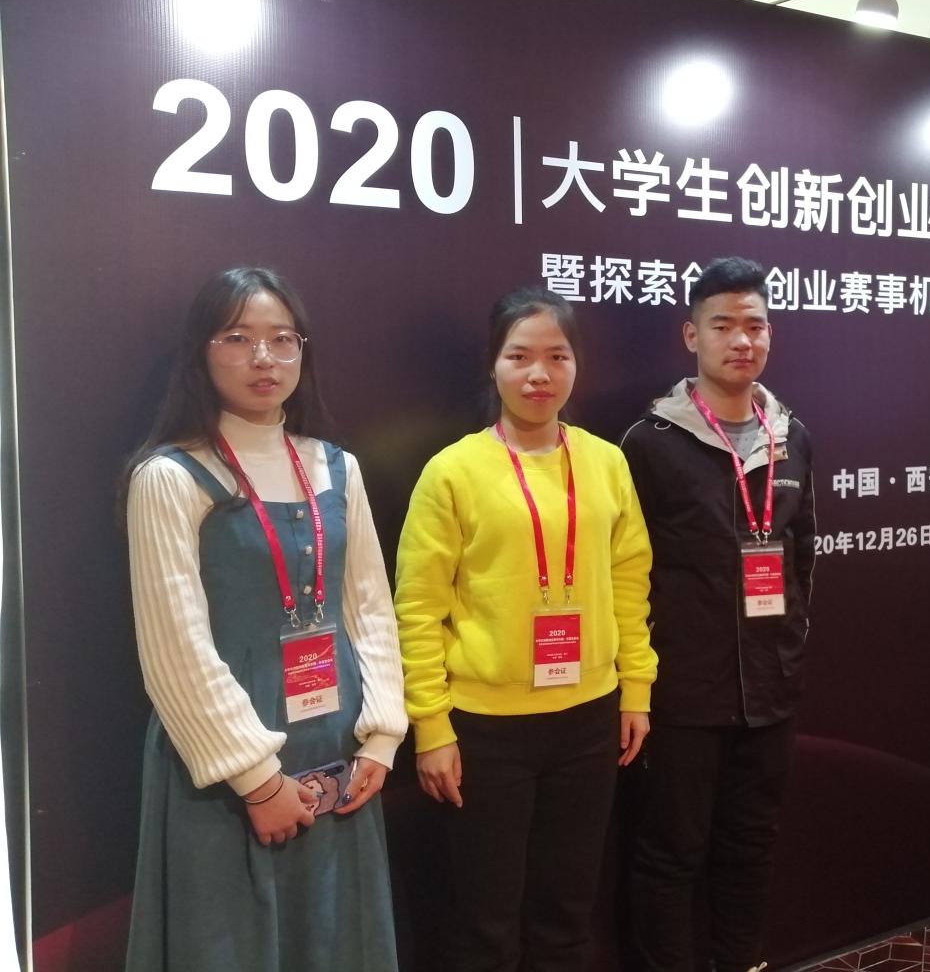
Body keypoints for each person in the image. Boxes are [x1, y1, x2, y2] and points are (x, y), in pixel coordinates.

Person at [123, 266, 406, 971]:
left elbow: (370, 607)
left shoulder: (337, 467)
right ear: (201, 351)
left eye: (283, 339)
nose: (263, 358)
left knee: (338, 938)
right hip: (226, 766)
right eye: (237, 338)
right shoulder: (169, 477)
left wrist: (381, 739)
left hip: (340, 748)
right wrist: (258, 780)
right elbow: (175, 650)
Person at [394, 286, 656, 971]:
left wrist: (635, 689)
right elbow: (417, 609)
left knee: (566, 914)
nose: (539, 374)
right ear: (493, 364)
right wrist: (432, 726)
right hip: (486, 730)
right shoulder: (452, 471)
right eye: (520, 356)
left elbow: (629, 581)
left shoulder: (606, 462)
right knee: (484, 921)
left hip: (589, 720)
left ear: (576, 365)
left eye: (557, 356)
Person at [622, 257, 816, 972]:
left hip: (770, 689)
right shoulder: (650, 442)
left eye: (755, 325)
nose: (742, 340)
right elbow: (627, 573)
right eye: (723, 325)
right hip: (683, 692)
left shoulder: (793, 436)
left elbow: (802, 556)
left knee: (751, 845)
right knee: (671, 854)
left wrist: (789, 647)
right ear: (691, 335)